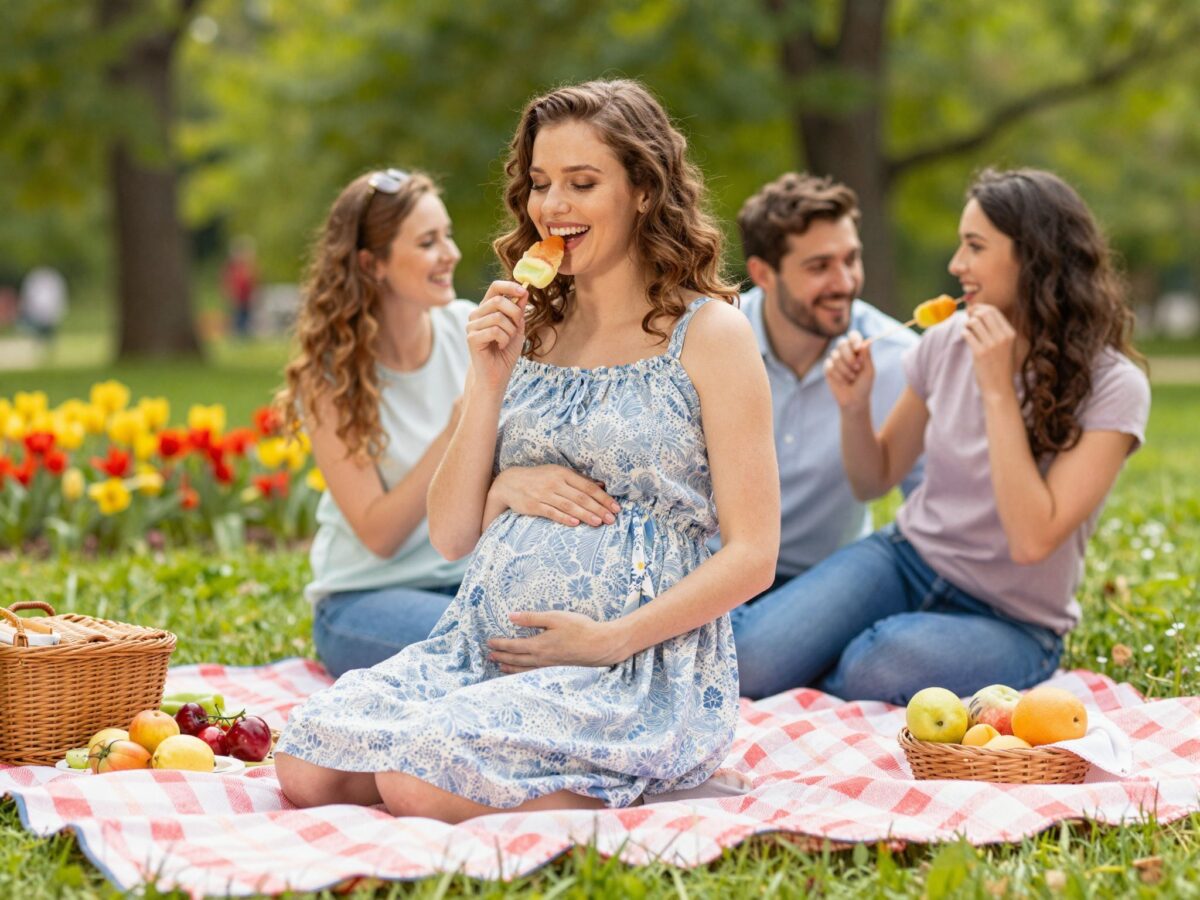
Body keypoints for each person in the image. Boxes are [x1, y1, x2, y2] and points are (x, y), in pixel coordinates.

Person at [275, 78, 779, 823]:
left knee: (417, 784)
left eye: (583, 183)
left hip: (629, 666)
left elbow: (755, 555)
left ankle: (658, 788)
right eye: (541, 183)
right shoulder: (528, 329)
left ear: (643, 191)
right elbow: (450, 535)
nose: (553, 205)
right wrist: (487, 384)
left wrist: (610, 641)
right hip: (480, 649)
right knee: (306, 763)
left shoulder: (710, 335)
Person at [731, 167, 1150, 705]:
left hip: (1011, 617)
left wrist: (997, 390)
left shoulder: (1115, 387)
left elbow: (1031, 540)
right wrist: (855, 407)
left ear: (1033, 257)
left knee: (875, 666)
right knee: (753, 659)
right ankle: (808, 657)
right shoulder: (946, 341)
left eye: (974, 246)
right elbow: (874, 480)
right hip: (906, 559)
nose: (956, 265)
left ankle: (831, 659)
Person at [717, 174, 923, 698]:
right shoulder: (712, 341)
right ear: (763, 273)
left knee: (743, 663)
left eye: (851, 259)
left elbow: (927, 500)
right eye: (819, 266)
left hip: (822, 580)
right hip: (712, 571)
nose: (844, 282)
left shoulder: (899, 358)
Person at [275, 169, 472, 677]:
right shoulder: (330, 377)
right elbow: (378, 534)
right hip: (365, 601)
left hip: (471, 583)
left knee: (554, 636)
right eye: (428, 242)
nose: (450, 253)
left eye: (447, 235)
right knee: (492, 647)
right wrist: (455, 433)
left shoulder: (470, 330)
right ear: (372, 263)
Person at [19, 266, 68, 343]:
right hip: (39, 311)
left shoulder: (51, 281)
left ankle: (46, 339)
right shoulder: (37, 281)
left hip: (47, 311)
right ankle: (42, 339)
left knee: (46, 328)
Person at [222, 237, 258, 338]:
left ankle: (243, 335)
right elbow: (229, 283)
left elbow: (253, 282)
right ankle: (238, 335)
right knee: (238, 318)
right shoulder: (233, 268)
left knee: (246, 317)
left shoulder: (248, 267)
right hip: (237, 297)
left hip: (246, 297)